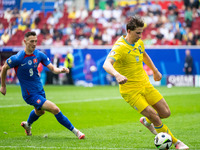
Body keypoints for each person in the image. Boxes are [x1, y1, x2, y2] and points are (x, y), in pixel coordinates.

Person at [103, 16, 189, 149]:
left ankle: (146, 121)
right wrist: (117, 74)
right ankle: (176, 142)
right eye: (138, 32)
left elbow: (143, 54)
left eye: (141, 32)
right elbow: (106, 64)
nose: (140, 35)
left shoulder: (139, 43)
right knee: (155, 116)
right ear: (129, 31)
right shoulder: (120, 47)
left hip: (145, 84)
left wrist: (155, 71)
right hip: (130, 91)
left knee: (166, 113)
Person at [0, 31, 85, 139]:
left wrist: (61, 70)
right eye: (32, 41)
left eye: (36, 41)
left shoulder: (39, 54)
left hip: (39, 90)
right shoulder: (18, 58)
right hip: (29, 94)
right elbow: (4, 68)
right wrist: (3, 86)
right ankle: (77, 132)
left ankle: (28, 125)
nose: (34, 44)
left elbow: (53, 68)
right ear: (25, 42)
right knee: (55, 109)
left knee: (40, 112)